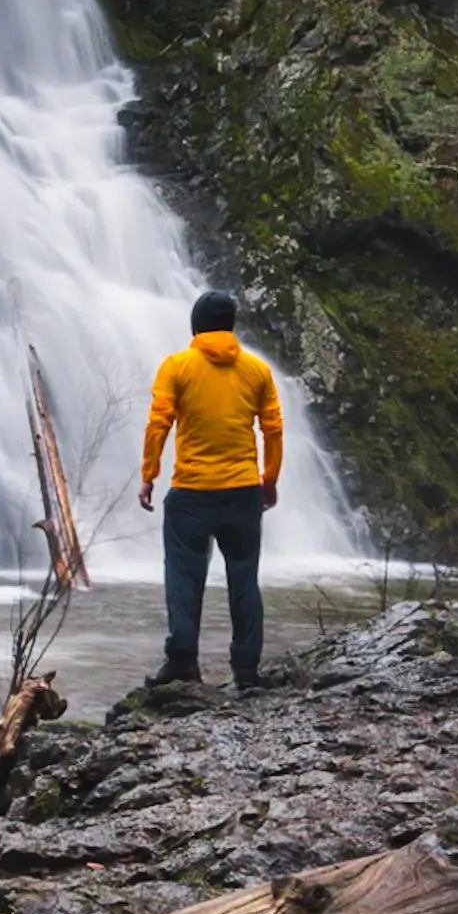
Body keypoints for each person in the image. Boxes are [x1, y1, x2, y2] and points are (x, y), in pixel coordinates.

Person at [137, 290, 284, 692]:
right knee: (244, 578)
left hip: (192, 492)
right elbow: (273, 428)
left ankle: (183, 662)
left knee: (184, 577)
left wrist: (149, 473)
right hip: (241, 491)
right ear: (231, 326)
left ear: (195, 326)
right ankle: (248, 673)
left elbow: (158, 423)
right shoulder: (257, 370)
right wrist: (269, 478)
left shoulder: (177, 366)